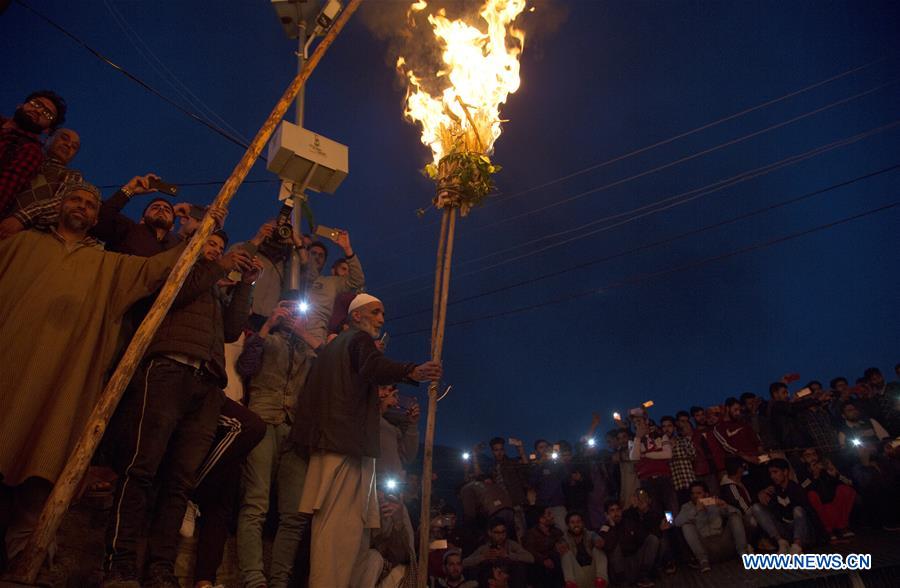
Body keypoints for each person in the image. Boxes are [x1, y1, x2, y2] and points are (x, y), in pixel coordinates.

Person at [0, 181, 187, 564]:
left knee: (43, 466)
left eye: (89, 203)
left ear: (95, 216)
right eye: (75, 199)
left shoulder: (107, 265)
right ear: (59, 205)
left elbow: (155, 270)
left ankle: (25, 559)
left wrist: (199, 237)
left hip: (61, 380)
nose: (82, 207)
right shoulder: (20, 246)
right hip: (9, 365)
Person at [103, 230, 259, 588]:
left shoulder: (216, 288)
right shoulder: (176, 267)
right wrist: (217, 265)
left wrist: (246, 285)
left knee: (179, 482)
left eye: (222, 247)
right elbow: (171, 297)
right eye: (211, 245)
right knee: (140, 468)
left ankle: (160, 567)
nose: (218, 252)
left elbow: (233, 332)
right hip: (167, 369)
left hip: (205, 383)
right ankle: (119, 564)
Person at [290, 293, 442, 588]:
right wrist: (412, 370)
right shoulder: (357, 340)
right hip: (345, 447)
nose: (382, 319)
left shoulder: (332, 349)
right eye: (376, 312)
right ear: (356, 316)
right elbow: (374, 366)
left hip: (331, 445)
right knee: (342, 535)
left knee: (342, 535)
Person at [235, 300, 320, 588]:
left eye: (299, 311)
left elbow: (332, 366)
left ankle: (279, 580)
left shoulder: (309, 352)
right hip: (263, 419)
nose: (293, 314)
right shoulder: (265, 340)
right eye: (288, 308)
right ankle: (253, 578)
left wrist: (306, 334)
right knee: (255, 502)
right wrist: (268, 324)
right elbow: (245, 366)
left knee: (294, 513)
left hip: (294, 431)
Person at [1, 90, 66, 214]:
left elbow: (5, 191)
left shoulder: (30, 150)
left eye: (47, 114)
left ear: (47, 129)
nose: (39, 111)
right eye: (36, 104)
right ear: (21, 105)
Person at [1, 127, 80, 221]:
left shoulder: (71, 176)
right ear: (48, 138)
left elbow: (60, 204)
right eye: (64, 138)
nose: (68, 145)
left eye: (74, 147)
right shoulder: (24, 157)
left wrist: (21, 219)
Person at [674, 481, 750, 573]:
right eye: (692, 493)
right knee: (686, 526)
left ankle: (743, 554)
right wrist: (695, 511)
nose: (695, 496)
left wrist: (725, 507)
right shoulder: (687, 507)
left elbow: (738, 513)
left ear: (706, 494)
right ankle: (703, 561)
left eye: (698, 493)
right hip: (706, 548)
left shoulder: (714, 501)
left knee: (734, 515)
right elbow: (677, 522)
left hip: (724, 542)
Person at [750, 458, 811, 554]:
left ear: (785, 472)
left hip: (800, 531)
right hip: (784, 530)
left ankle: (797, 547)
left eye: (775, 472)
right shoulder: (774, 490)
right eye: (771, 473)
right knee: (756, 508)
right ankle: (782, 543)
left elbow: (805, 515)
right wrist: (762, 493)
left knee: (798, 510)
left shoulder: (796, 488)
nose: (773, 476)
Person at [797, 448, 855, 543]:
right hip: (818, 500)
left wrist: (836, 474)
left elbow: (849, 483)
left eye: (814, 454)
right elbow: (802, 488)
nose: (812, 458)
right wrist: (814, 476)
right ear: (803, 459)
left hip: (833, 498)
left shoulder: (826, 466)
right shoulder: (802, 471)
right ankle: (828, 530)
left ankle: (843, 527)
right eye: (808, 455)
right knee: (812, 495)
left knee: (845, 490)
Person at [597, 500, 656, 588]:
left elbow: (643, 536)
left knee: (652, 539)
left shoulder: (628, 522)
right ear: (607, 514)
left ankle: (643, 576)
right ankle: (623, 582)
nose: (616, 513)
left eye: (618, 510)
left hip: (634, 561)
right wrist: (613, 527)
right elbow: (609, 547)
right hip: (619, 569)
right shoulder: (604, 529)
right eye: (612, 511)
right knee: (615, 546)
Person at [461, 519, 533, 588]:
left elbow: (530, 558)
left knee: (519, 567)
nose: (501, 536)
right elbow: (464, 563)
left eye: (503, 532)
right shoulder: (485, 548)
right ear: (490, 533)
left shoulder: (511, 544)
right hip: (490, 580)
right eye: (497, 532)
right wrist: (484, 557)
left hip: (511, 580)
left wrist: (507, 555)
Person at [557, 511, 608, 588]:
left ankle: (601, 580)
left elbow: (597, 539)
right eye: (572, 522)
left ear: (583, 523)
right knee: (566, 554)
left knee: (598, 550)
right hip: (577, 575)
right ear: (568, 525)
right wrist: (560, 547)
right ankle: (570, 584)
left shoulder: (590, 534)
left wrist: (599, 542)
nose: (576, 525)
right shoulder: (564, 538)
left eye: (578, 522)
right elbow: (560, 545)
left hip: (593, 573)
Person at [522, 506, 564, 588]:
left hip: (556, 561)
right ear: (541, 519)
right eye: (549, 514)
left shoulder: (555, 531)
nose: (552, 516)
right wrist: (543, 559)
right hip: (539, 566)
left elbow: (562, 541)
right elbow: (529, 550)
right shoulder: (531, 534)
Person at [660, 415, 694, 510]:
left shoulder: (683, 440)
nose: (667, 429)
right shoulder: (660, 445)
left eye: (669, 426)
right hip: (673, 484)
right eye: (664, 426)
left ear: (674, 428)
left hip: (688, 480)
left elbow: (692, 454)